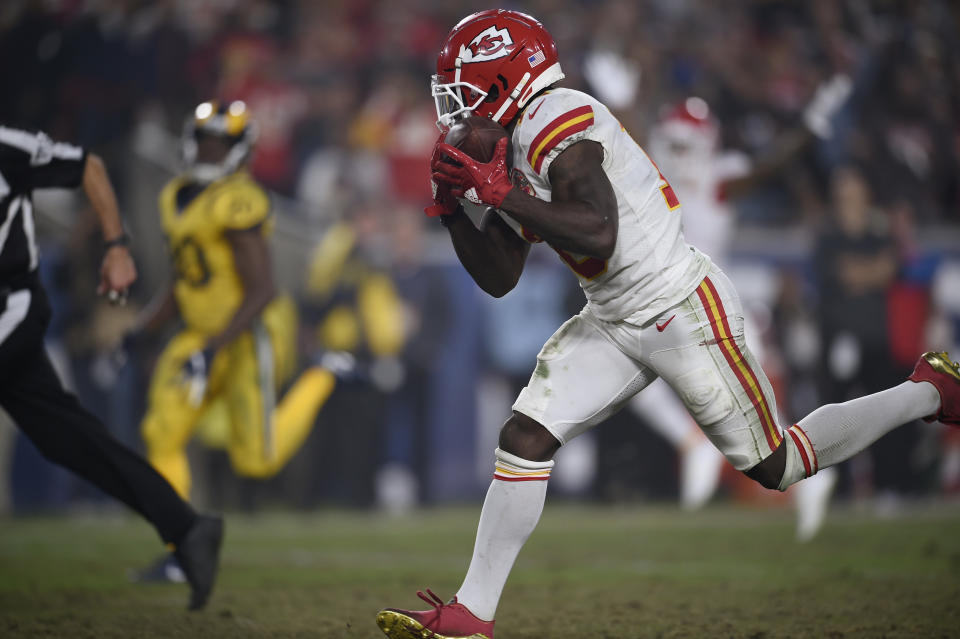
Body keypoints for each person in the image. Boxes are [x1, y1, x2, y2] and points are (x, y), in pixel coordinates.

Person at [375, 10, 959, 639]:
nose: (455, 114)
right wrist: (454, 213)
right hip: (612, 314)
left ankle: (929, 391)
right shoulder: (512, 145)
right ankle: (471, 616)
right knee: (524, 437)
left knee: (778, 464)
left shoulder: (555, 118)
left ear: (503, 82)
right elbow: (500, 277)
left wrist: (498, 196)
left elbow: (600, 232)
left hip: (680, 307)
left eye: (463, 94)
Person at [0, 124, 222, 610]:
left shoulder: (7, 149)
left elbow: (89, 166)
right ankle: (186, 527)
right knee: (67, 437)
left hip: (9, 310)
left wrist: (117, 245)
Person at [128, 101, 337, 580]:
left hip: (242, 338)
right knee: (161, 434)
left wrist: (213, 348)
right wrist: (145, 330)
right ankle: (183, 549)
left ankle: (324, 375)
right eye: (203, 139)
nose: (208, 149)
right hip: (199, 337)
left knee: (256, 460)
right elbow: (184, 281)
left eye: (219, 141)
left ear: (240, 149)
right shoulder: (175, 194)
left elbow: (261, 292)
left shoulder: (238, 199)